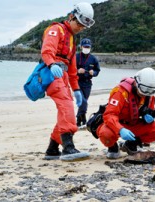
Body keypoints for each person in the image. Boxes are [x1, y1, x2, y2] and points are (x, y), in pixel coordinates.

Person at [41, 2, 95, 161]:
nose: (80, 27)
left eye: (83, 26)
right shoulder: (55, 30)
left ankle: (52, 149)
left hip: (62, 77)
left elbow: (72, 69)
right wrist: (51, 64)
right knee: (67, 108)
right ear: (71, 16)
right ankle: (68, 148)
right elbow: (47, 51)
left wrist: (77, 89)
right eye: (79, 23)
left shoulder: (71, 40)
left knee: (65, 111)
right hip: (52, 75)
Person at [95, 67, 155, 159]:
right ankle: (113, 147)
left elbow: (150, 109)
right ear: (136, 82)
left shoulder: (149, 95)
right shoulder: (120, 92)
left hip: (134, 124)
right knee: (106, 133)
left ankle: (131, 144)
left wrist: (148, 117)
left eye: (151, 91)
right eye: (144, 89)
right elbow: (109, 115)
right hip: (116, 124)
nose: (146, 93)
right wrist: (120, 129)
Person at [76, 38, 100, 128]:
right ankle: (84, 120)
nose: (86, 48)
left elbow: (97, 70)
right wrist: (78, 71)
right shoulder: (76, 57)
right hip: (77, 82)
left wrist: (93, 73)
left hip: (88, 83)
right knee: (83, 101)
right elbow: (69, 70)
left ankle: (79, 121)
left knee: (83, 102)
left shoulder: (93, 59)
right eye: (85, 46)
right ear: (81, 47)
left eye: (88, 47)